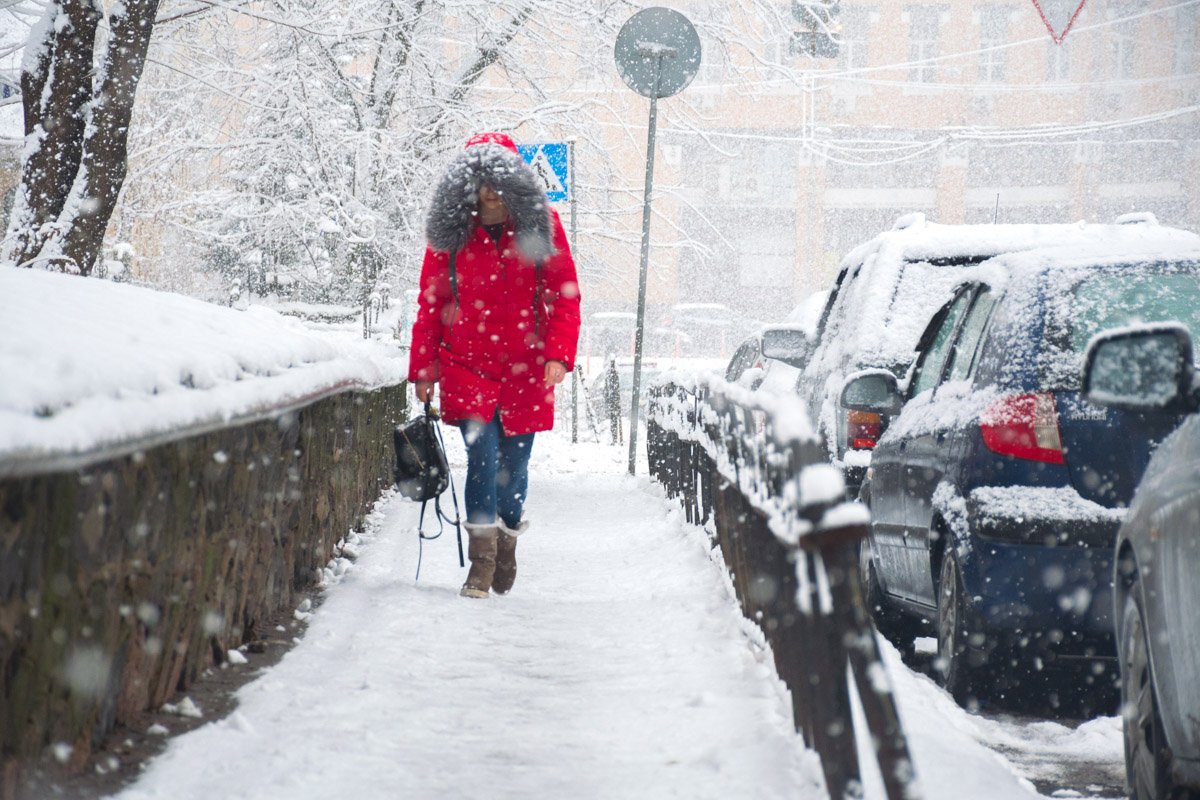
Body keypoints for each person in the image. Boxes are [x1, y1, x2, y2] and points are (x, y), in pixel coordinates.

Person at [408, 132, 581, 599]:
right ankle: (481, 563)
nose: (488, 191)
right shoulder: (450, 234)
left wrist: (557, 357)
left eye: (496, 180)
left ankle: (506, 540)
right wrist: (425, 370)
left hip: (526, 368)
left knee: (515, 466)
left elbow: (564, 297)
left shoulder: (541, 226)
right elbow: (431, 304)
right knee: (481, 460)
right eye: (479, 180)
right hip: (467, 363)